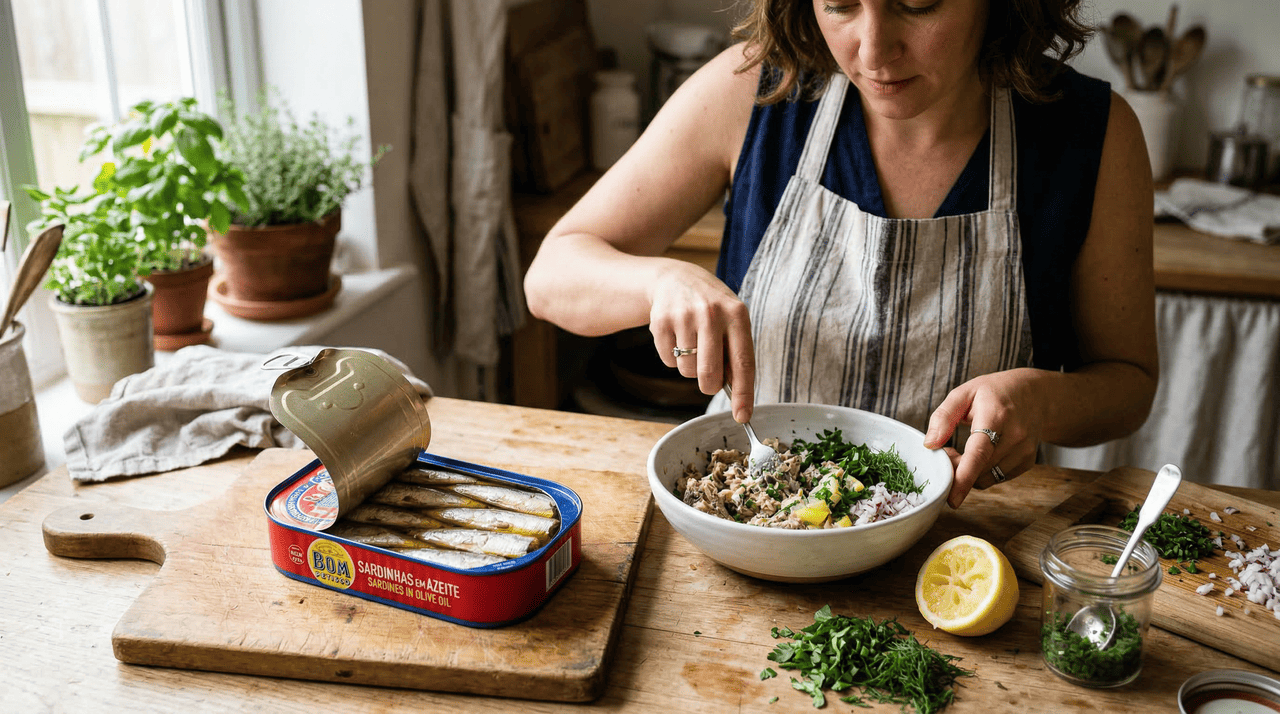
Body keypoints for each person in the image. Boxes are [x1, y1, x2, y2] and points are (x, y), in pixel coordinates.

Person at [524, 0, 1158, 508]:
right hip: (751, 513)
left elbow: (1128, 383)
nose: (874, 50)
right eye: (840, 4)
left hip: (969, 542)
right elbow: (552, 274)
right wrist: (660, 281)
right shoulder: (751, 93)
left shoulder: (1093, 134)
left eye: (919, 4)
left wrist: (1039, 402)